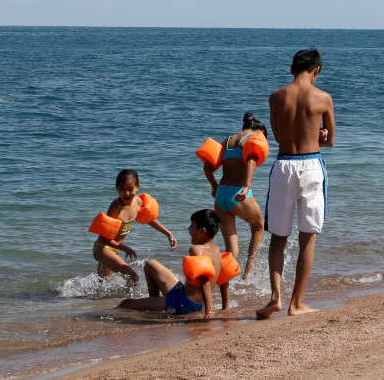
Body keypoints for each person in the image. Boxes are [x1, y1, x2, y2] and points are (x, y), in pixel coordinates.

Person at [256, 48, 335, 319]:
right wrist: (319, 133)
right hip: (312, 165)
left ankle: (275, 299)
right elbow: (330, 141)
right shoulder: (324, 98)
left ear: (292, 69)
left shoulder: (276, 97)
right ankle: (296, 303)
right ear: (317, 71)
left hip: (284, 165)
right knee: (307, 237)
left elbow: (278, 136)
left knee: (278, 237)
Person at [116, 209, 227, 317]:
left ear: (202, 231)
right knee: (150, 265)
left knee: (125, 304)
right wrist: (225, 308)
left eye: (192, 226)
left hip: (183, 303)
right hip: (191, 300)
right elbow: (224, 280)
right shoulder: (217, 250)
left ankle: (157, 307)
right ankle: (154, 306)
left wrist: (209, 312)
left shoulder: (196, 250)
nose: (189, 229)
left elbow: (204, 280)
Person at [202, 113, 266, 281]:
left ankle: (220, 281)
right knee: (259, 227)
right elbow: (251, 158)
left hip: (221, 195)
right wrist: (246, 187)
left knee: (232, 251)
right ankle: (247, 276)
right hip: (238, 193)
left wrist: (214, 186)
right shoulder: (253, 138)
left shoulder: (227, 141)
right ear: (259, 131)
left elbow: (207, 167)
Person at [93, 169, 177, 281]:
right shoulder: (116, 207)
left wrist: (168, 234)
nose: (126, 193)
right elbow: (103, 239)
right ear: (117, 188)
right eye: (122, 189)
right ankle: (128, 299)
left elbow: (149, 219)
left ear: (138, 187)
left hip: (114, 249)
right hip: (103, 249)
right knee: (133, 278)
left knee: (102, 283)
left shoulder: (138, 202)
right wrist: (125, 248)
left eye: (130, 189)